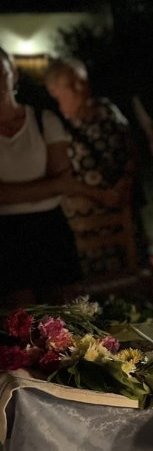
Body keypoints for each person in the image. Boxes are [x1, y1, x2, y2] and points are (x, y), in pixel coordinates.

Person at [0, 47, 108, 306]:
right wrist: (48, 186)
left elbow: (64, 182)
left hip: (49, 228)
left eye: (0, 73)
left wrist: (10, 193)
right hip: (5, 235)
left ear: (13, 74)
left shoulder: (42, 119)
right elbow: (56, 182)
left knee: (67, 317)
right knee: (21, 321)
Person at [44, 58, 137, 277]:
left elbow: (131, 146)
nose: (80, 87)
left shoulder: (107, 109)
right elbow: (58, 177)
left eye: (82, 80)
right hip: (87, 220)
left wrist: (127, 179)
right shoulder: (54, 127)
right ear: (54, 90)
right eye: (71, 83)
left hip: (122, 207)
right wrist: (100, 195)